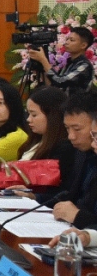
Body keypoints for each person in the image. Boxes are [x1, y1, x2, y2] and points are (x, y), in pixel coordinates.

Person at [7, 86, 74, 199]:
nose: (28, 119)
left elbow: (58, 192)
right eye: (28, 114)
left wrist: (33, 196)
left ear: (52, 116)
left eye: (34, 115)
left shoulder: (63, 148)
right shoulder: (34, 142)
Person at [43, 91, 97, 228]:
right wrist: (34, 197)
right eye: (67, 128)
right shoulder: (80, 153)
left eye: (77, 129)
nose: (71, 136)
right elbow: (67, 194)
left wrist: (79, 217)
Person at [29, 26, 95, 95]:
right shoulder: (70, 62)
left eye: (71, 40)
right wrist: (41, 64)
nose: (67, 42)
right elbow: (54, 86)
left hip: (76, 102)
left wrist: (43, 60)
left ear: (83, 45)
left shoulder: (84, 65)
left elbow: (60, 81)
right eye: (67, 39)